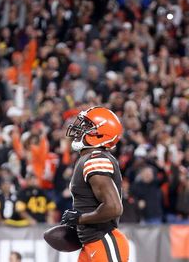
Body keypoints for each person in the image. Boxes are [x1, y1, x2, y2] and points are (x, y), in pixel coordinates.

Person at [61, 107, 129, 261]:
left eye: (86, 126)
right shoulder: (90, 157)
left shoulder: (96, 159)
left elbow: (114, 208)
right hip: (91, 242)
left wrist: (80, 219)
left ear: (100, 133)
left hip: (104, 240)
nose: (79, 129)